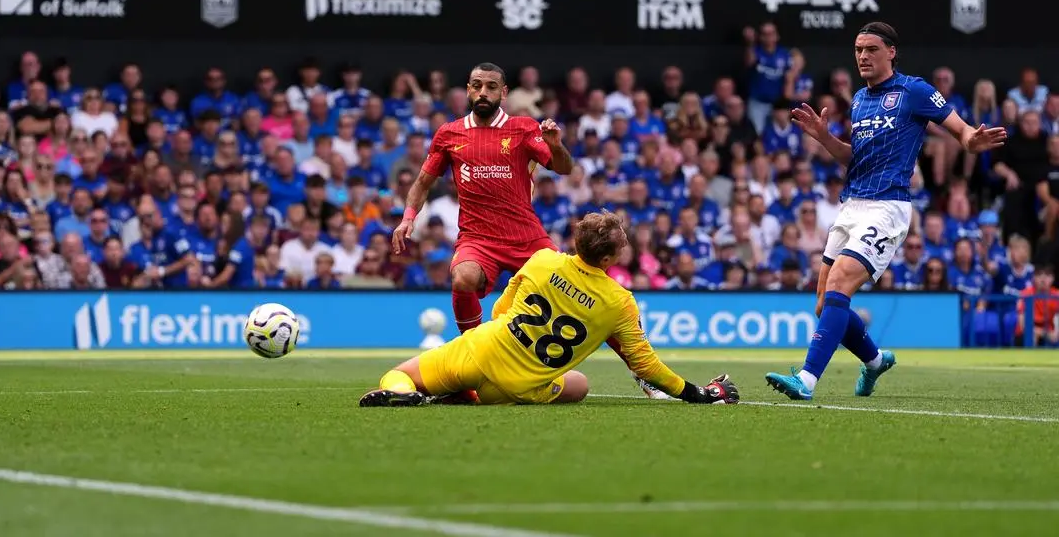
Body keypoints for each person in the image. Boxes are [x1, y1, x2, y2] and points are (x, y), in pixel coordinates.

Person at [767, 22, 1007, 401]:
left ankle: (808, 380)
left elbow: (961, 131)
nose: (863, 56)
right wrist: (824, 137)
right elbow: (853, 157)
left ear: (891, 52)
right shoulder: (860, 100)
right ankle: (876, 360)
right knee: (822, 304)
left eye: (871, 49)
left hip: (888, 206)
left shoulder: (914, 90)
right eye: (858, 49)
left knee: (842, 281)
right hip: (852, 205)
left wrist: (971, 139)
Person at [361, 211, 740, 407]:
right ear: (609, 257)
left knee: (399, 374)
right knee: (580, 384)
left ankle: (410, 394)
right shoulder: (619, 301)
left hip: (480, 351)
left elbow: (500, 312)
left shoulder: (543, 259)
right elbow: (645, 365)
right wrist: (695, 393)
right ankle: (471, 394)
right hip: (521, 388)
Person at [392, 62, 574, 333]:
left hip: (525, 235)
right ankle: (473, 349)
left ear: (503, 92)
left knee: (571, 289)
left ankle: (635, 363)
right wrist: (408, 218)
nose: (483, 92)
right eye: (477, 86)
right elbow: (421, 183)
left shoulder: (523, 128)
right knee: (463, 278)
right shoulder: (449, 134)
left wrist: (556, 146)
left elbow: (564, 168)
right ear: (468, 90)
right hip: (477, 238)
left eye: (491, 86)